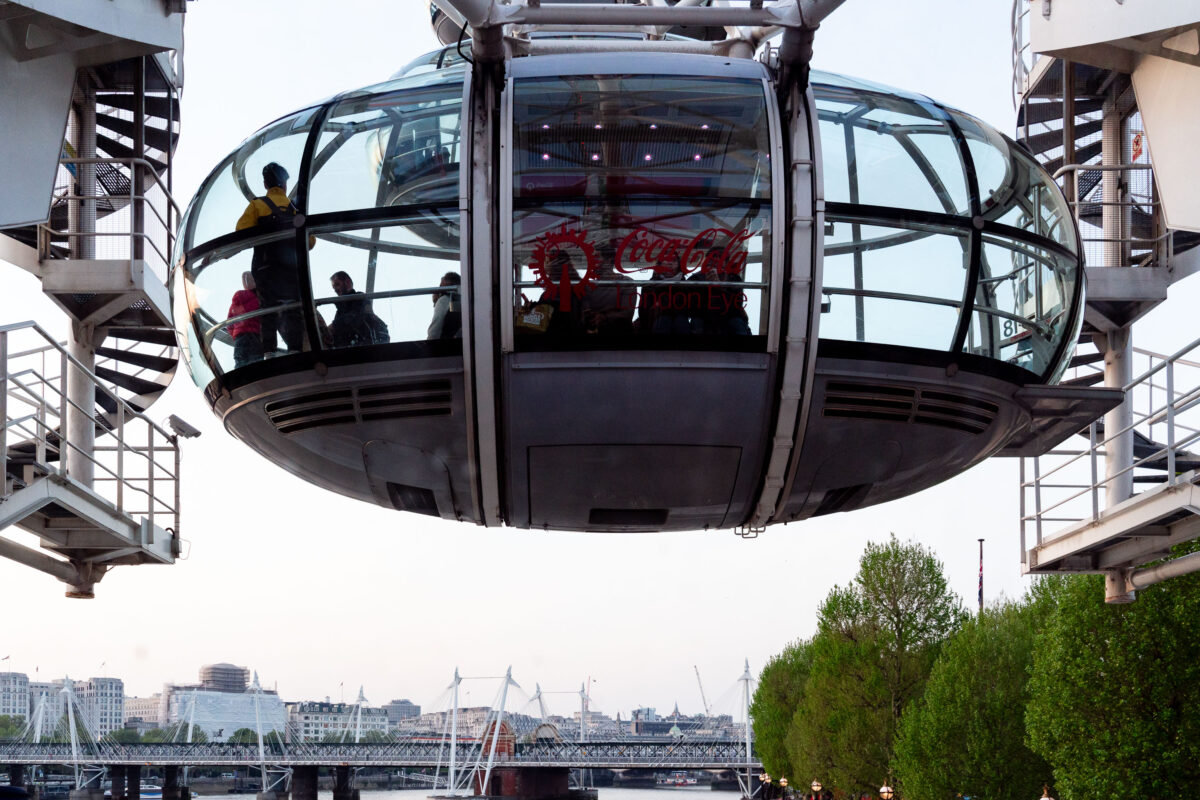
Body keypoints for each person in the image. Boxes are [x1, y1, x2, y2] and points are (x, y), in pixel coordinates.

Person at [236, 162, 304, 355]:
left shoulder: (257, 205)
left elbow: (241, 231)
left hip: (265, 270)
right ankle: (295, 351)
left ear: (266, 184)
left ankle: (270, 353)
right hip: (291, 271)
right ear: (284, 185)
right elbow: (311, 241)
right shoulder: (294, 210)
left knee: (268, 311)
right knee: (293, 309)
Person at [328, 270, 388, 347]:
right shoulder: (341, 309)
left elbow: (354, 318)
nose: (335, 289)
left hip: (369, 345)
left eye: (337, 284)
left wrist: (332, 327)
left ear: (347, 282)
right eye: (333, 287)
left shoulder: (360, 298)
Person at [227, 271, 262, 368]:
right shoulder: (258, 298)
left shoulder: (237, 299)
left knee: (240, 360)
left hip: (240, 337)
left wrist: (235, 333)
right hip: (255, 334)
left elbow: (229, 322)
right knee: (256, 361)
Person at [427, 271, 462, 339]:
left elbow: (436, 328)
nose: (439, 288)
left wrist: (429, 345)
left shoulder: (445, 300)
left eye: (440, 286)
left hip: (446, 344)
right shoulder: (464, 300)